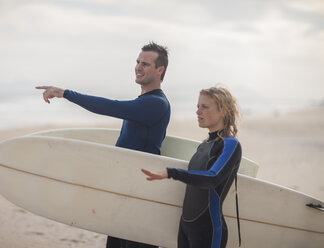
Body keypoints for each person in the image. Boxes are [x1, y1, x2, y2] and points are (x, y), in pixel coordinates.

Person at [36, 42, 170, 248]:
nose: (138, 67)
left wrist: (65, 93)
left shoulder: (155, 104)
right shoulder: (145, 102)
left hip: (140, 196)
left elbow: (110, 106)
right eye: (137, 62)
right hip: (125, 190)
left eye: (145, 64)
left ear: (160, 70)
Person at [142, 86, 241, 248]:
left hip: (208, 230)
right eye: (197, 107)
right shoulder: (204, 146)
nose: (198, 112)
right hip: (186, 226)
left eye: (204, 107)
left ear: (223, 111)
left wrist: (171, 173)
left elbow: (212, 178)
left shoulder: (230, 145)